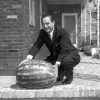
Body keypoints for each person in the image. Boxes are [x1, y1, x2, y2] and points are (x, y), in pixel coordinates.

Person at [20, 14, 80, 84]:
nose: (45, 26)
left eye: (47, 23)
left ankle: (69, 78)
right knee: (45, 66)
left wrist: (57, 64)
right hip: (56, 56)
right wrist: (28, 58)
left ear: (53, 22)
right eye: (43, 24)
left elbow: (63, 50)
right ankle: (61, 71)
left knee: (65, 62)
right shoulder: (42, 33)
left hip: (70, 54)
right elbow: (37, 45)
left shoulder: (62, 32)